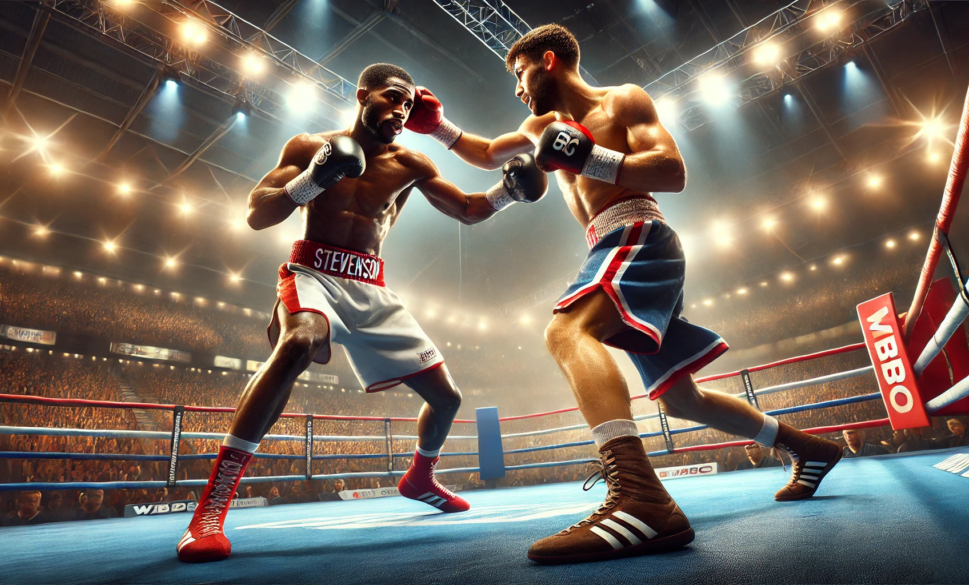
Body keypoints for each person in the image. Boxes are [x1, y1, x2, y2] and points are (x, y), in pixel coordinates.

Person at [408, 24, 843, 564]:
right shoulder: (539, 124)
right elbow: (488, 152)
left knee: (566, 329)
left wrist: (589, 158)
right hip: (607, 244)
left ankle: (638, 497)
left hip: (637, 231)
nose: (517, 89)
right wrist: (437, 127)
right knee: (682, 399)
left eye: (519, 74)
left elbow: (672, 171)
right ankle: (807, 449)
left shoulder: (623, 101)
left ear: (547, 60)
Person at [176, 63, 548, 564]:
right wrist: (313, 180)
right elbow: (257, 211)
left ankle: (420, 478)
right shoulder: (310, 147)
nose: (400, 111)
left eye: (409, 106)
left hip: (371, 285)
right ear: (362, 93)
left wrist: (510, 193)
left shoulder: (412, 164)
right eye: (393, 99)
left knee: (446, 399)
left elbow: (468, 208)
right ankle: (211, 508)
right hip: (313, 272)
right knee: (299, 341)